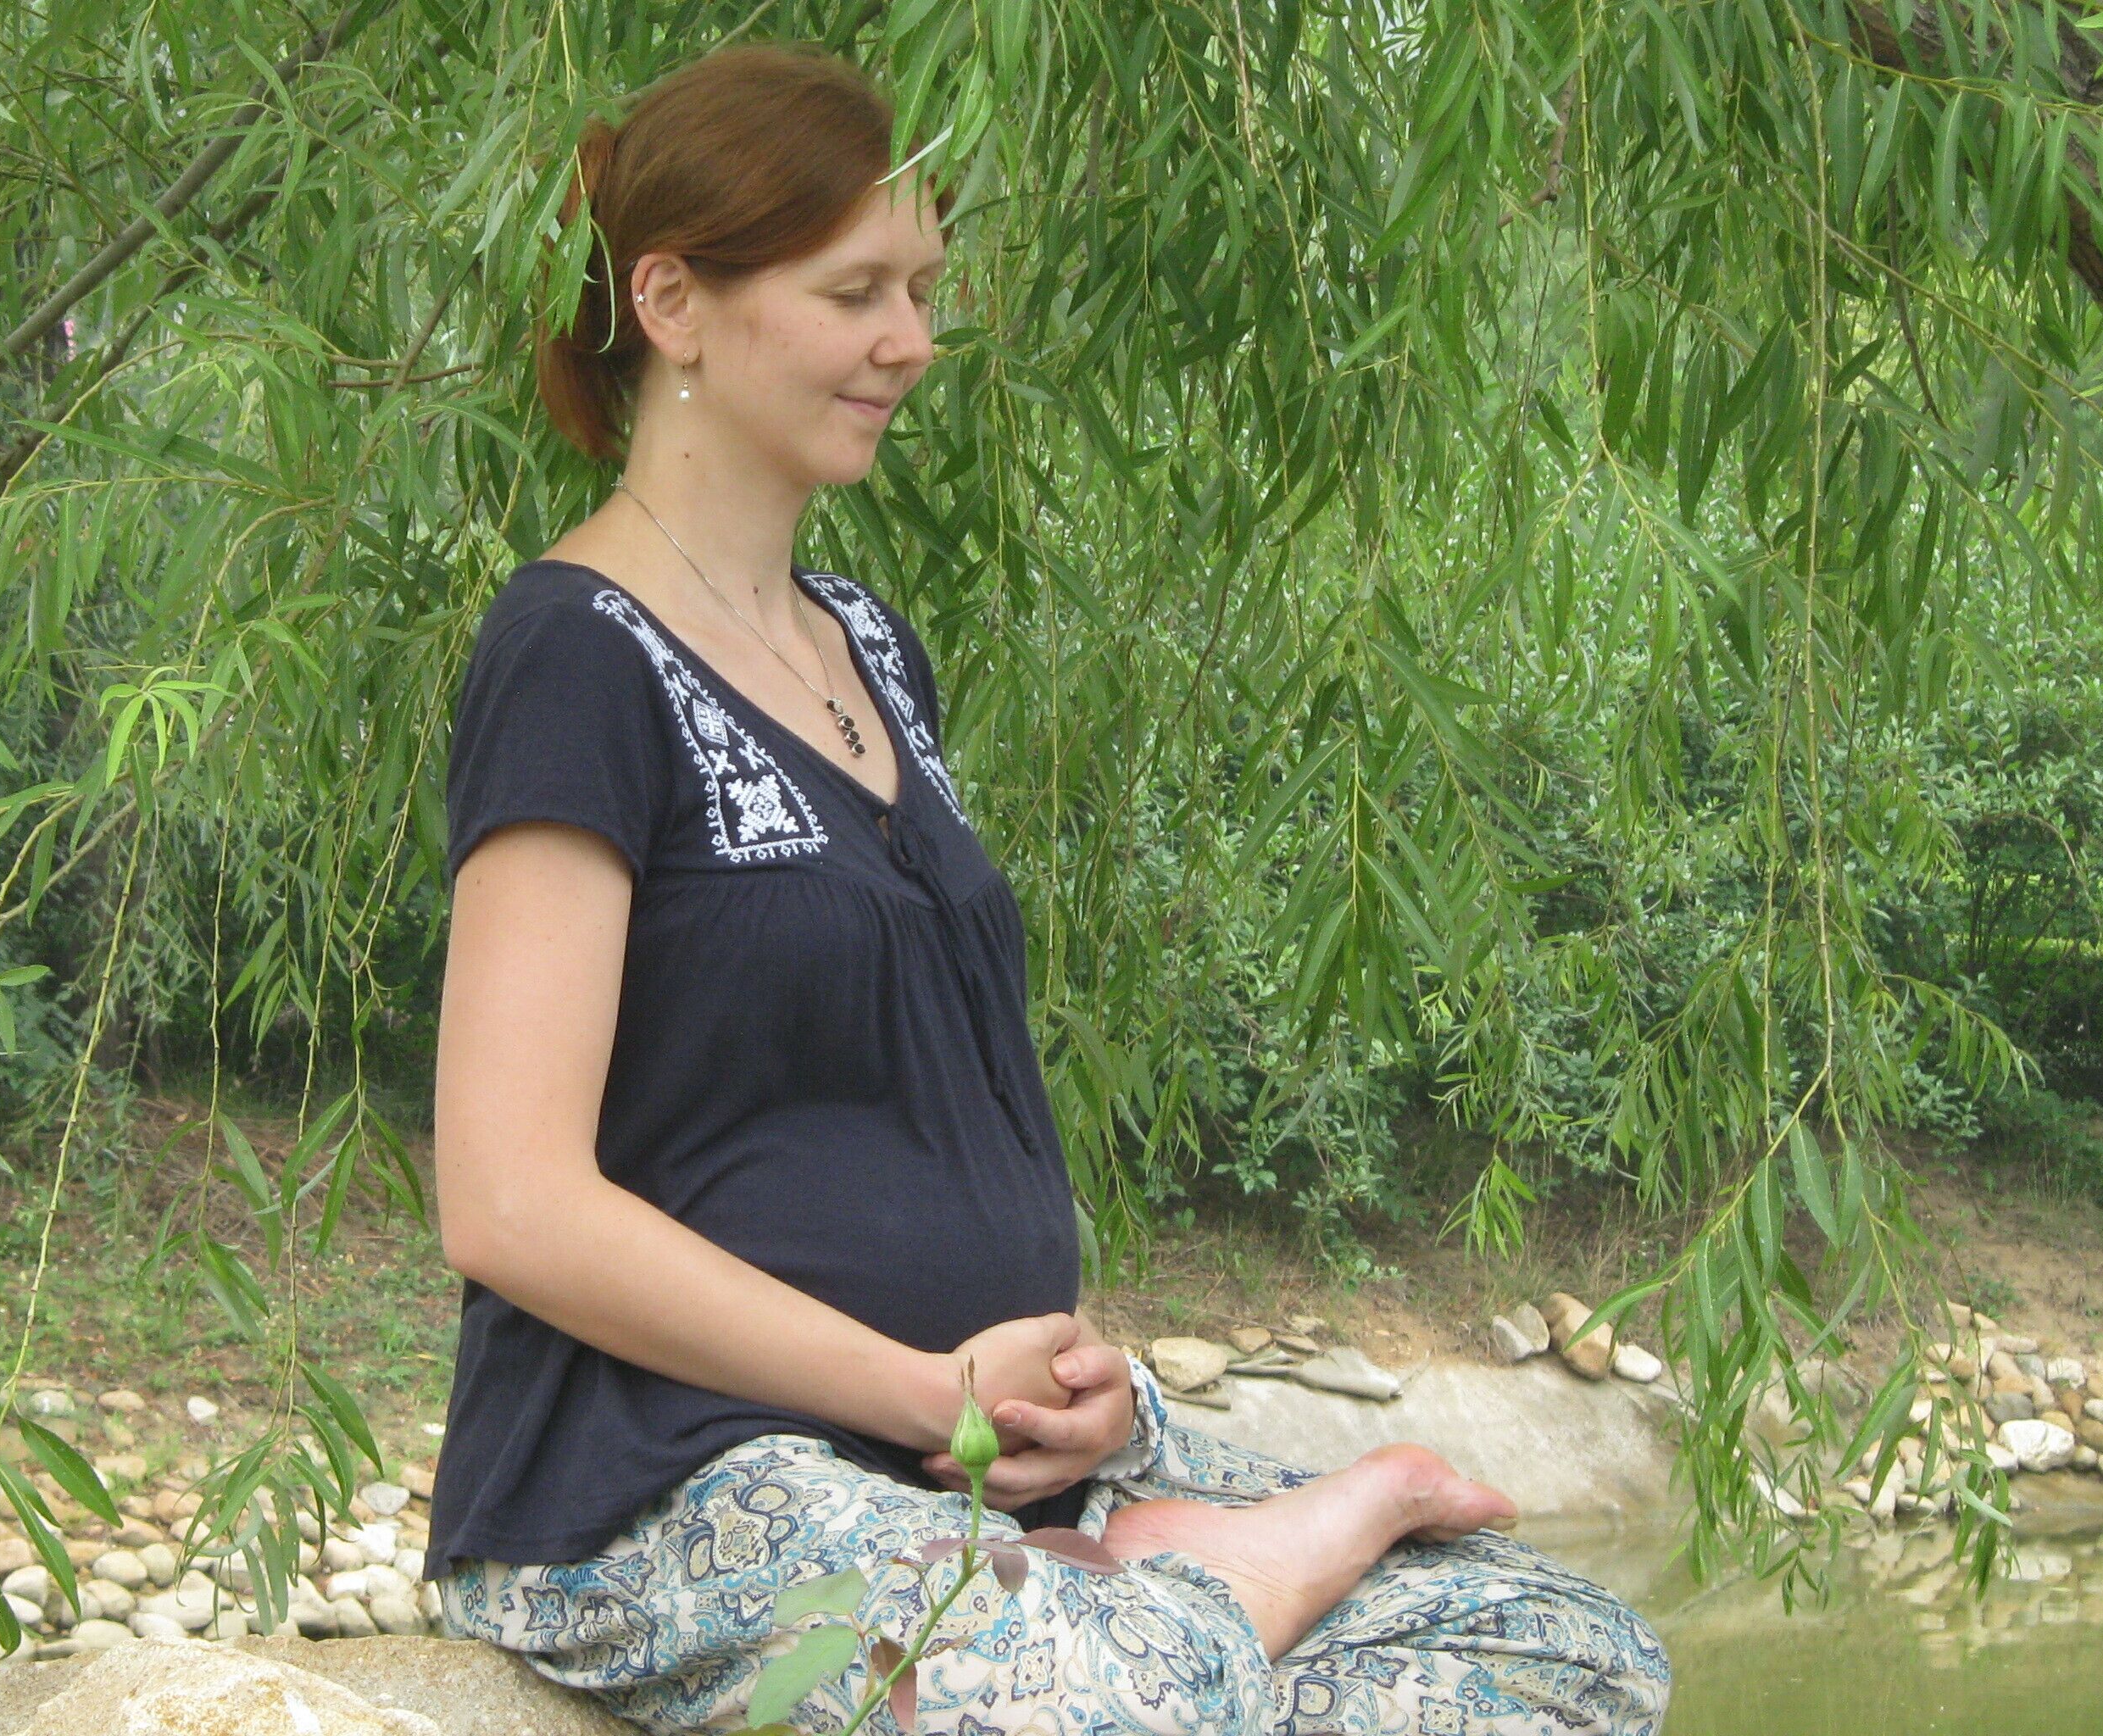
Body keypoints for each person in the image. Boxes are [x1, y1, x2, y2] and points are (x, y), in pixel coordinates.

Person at [421, 42, 1670, 1735]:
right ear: (672, 302)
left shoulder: (871, 647)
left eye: (923, 292)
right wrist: (927, 1389)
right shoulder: (575, 653)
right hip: (666, 1478)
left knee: (1561, 1645)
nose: (911, 343)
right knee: (1089, 1693)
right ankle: (1215, 1578)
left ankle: (1153, 1572)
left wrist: (1070, 1390)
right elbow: (509, 1200)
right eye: (855, 292)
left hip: (982, 1460)